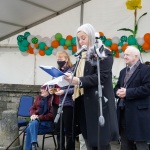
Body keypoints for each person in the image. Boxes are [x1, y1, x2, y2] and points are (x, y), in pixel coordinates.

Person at [64, 23, 119, 150]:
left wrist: (78, 80)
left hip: (98, 103)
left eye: (83, 37)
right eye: (78, 39)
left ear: (91, 36)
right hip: (82, 102)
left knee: (101, 142)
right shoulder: (80, 56)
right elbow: (78, 74)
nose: (81, 41)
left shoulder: (104, 53)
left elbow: (101, 77)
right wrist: (68, 76)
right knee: (88, 139)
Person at [114, 46, 150, 150]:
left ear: (136, 56)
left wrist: (127, 92)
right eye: (124, 54)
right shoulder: (122, 71)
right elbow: (117, 87)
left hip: (139, 115)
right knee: (125, 144)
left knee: (141, 145)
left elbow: (147, 88)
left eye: (127, 55)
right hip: (123, 113)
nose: (124, 56)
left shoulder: (146, 70)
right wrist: (117, 92)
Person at [49, 51, 75, 150]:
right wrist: (51, 89)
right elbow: (52, 84)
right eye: (58, 59)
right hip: (56, 103)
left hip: (67, 104)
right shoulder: (55, 71)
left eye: (61, 59)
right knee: (58, 130)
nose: (59, 61)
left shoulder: (72, 70)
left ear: (67, 59)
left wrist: (63, 92)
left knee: (69, 130)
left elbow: (75, 88)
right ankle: (60, 147)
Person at [25, 85, 54, 150]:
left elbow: (51, 115)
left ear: (49, 90)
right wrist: (33, 115)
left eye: (44, 89)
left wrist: (39, 117)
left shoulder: (52, 99)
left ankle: (31, 146)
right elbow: (32, 108)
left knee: (29, 128)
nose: (41, 90)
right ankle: (33, 144)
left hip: (46, 123)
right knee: (32, 123)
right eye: (41, 89)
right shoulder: (39, 98)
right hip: (36, 121)